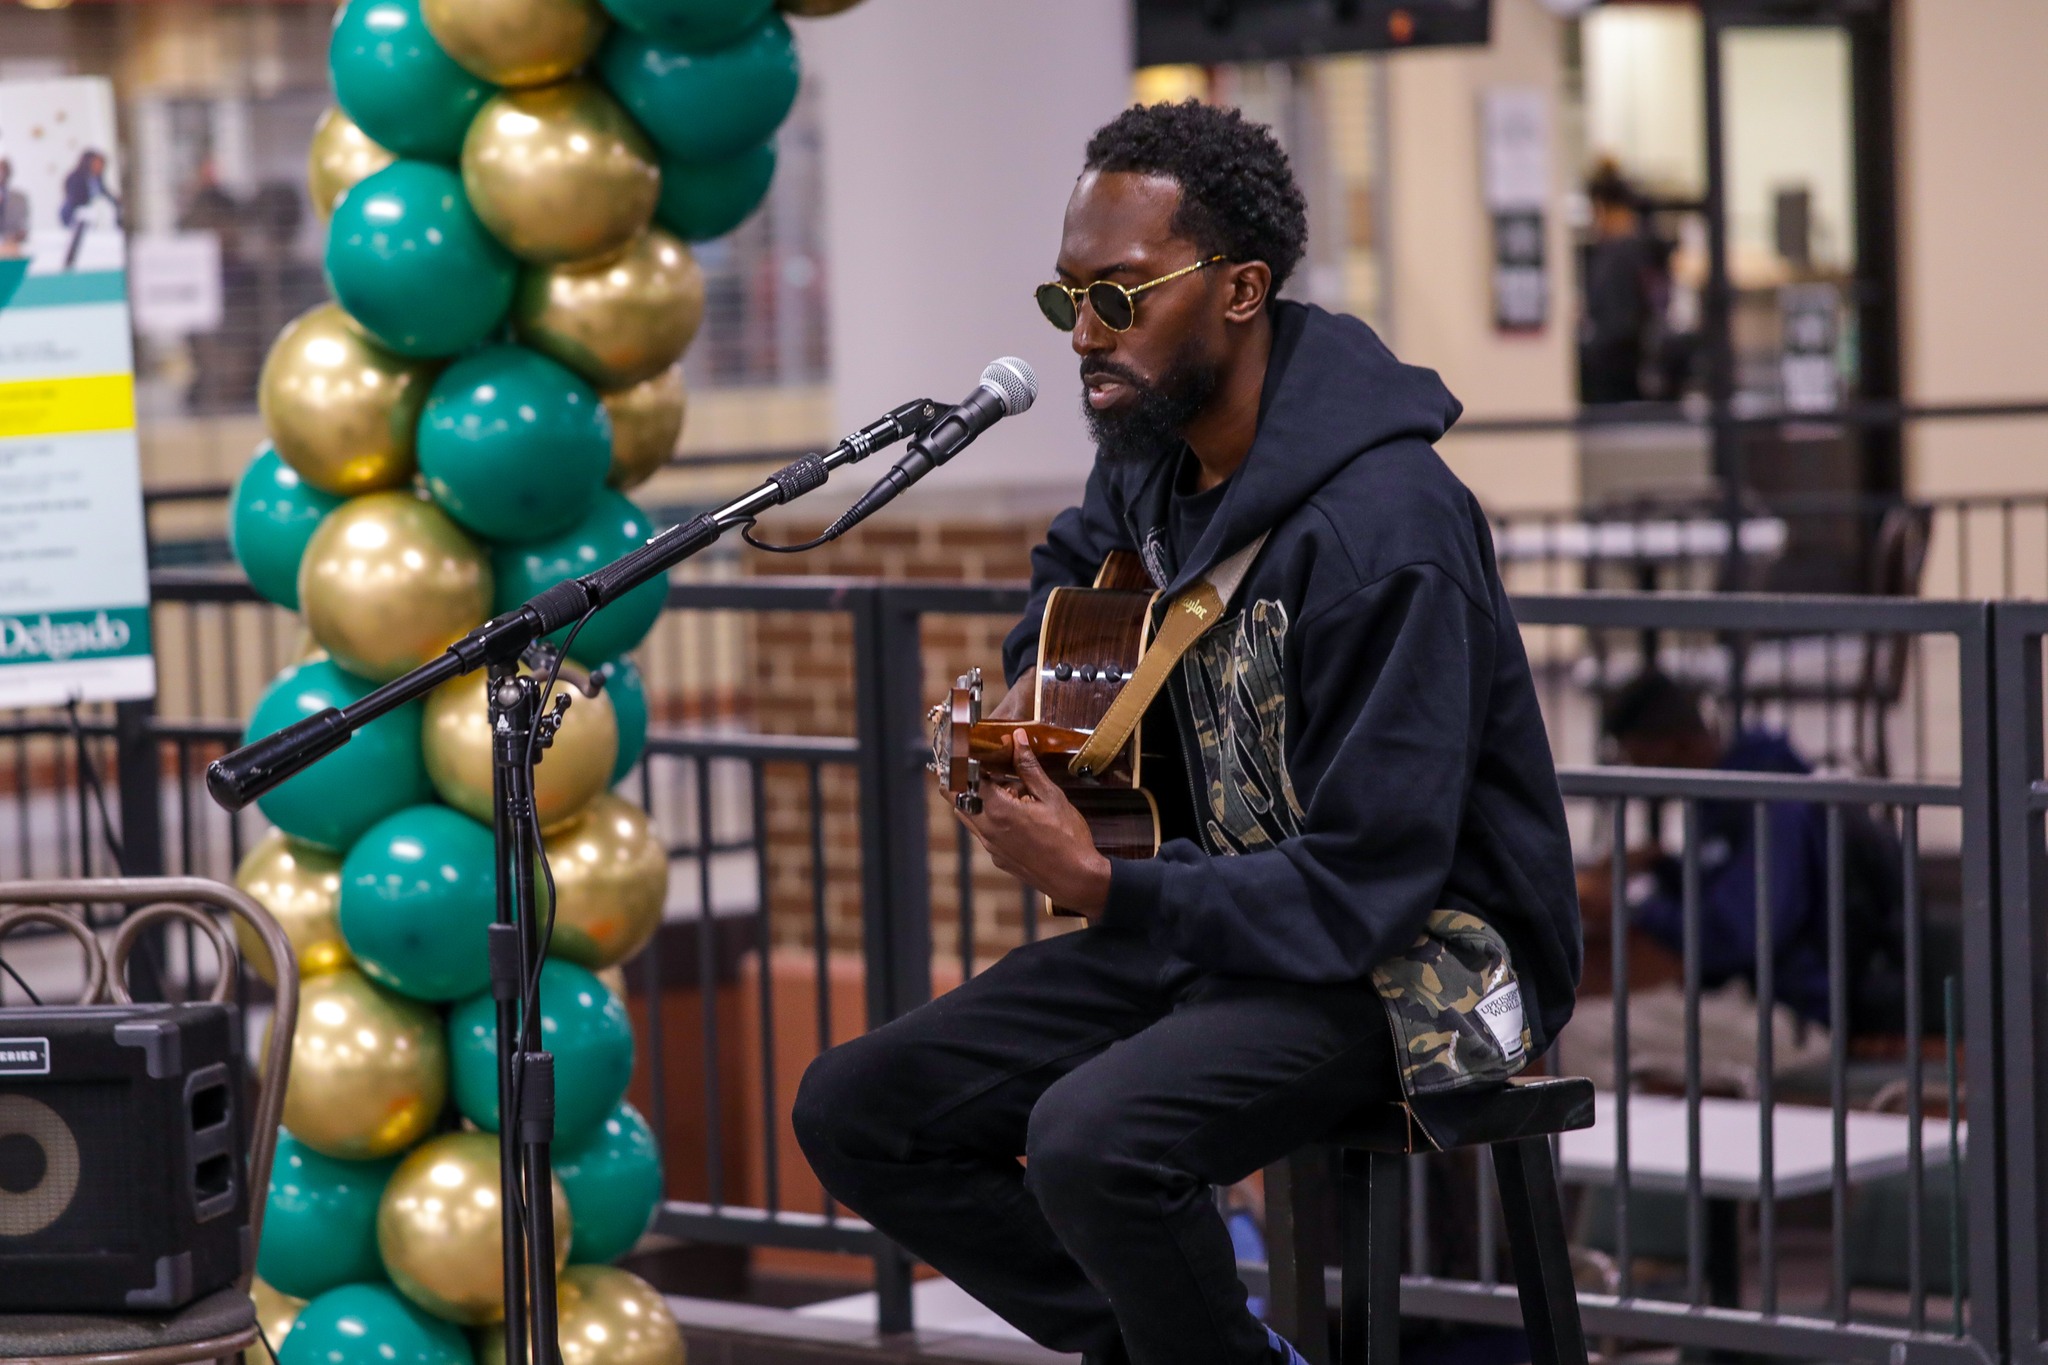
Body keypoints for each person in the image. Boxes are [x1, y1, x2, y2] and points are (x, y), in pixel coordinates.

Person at [793, 100, 1581, 1365]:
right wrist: (1031, 705)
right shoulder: (1153, 461)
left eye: (1119, 296)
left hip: (1426, 955)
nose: (1086, 336)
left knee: (1097, 1138)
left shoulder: (1388, 531)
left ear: (1239, 288)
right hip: (1222, 914)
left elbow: (1370, 882)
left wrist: (1107, 886)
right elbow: (1071, 573)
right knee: (859, 1108)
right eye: (1067, 302)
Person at [1564, 671, 1905, 1094]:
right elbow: (1729, 891)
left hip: (1793, 1020)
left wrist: (1633, 908)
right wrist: (1661, 871)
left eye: (1638, 759)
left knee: (1573, 1037)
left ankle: (1634, 1158)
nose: (1635, 775)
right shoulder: (1730, 800)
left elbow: (1740, 932)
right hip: (1749, 1004)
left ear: (1676, 745)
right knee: (1597, 1031)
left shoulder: (1771, 801)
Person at [1576, 159, 1668, 404]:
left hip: (1619, 366)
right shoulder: (1634, 248)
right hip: (1625, 358)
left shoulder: (1625, 253)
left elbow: (1616, 321)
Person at [0, 158, 29, 256]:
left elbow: (23, 226)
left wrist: (16, 236)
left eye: (3, 171)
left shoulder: (19, 199)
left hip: (12, 249)